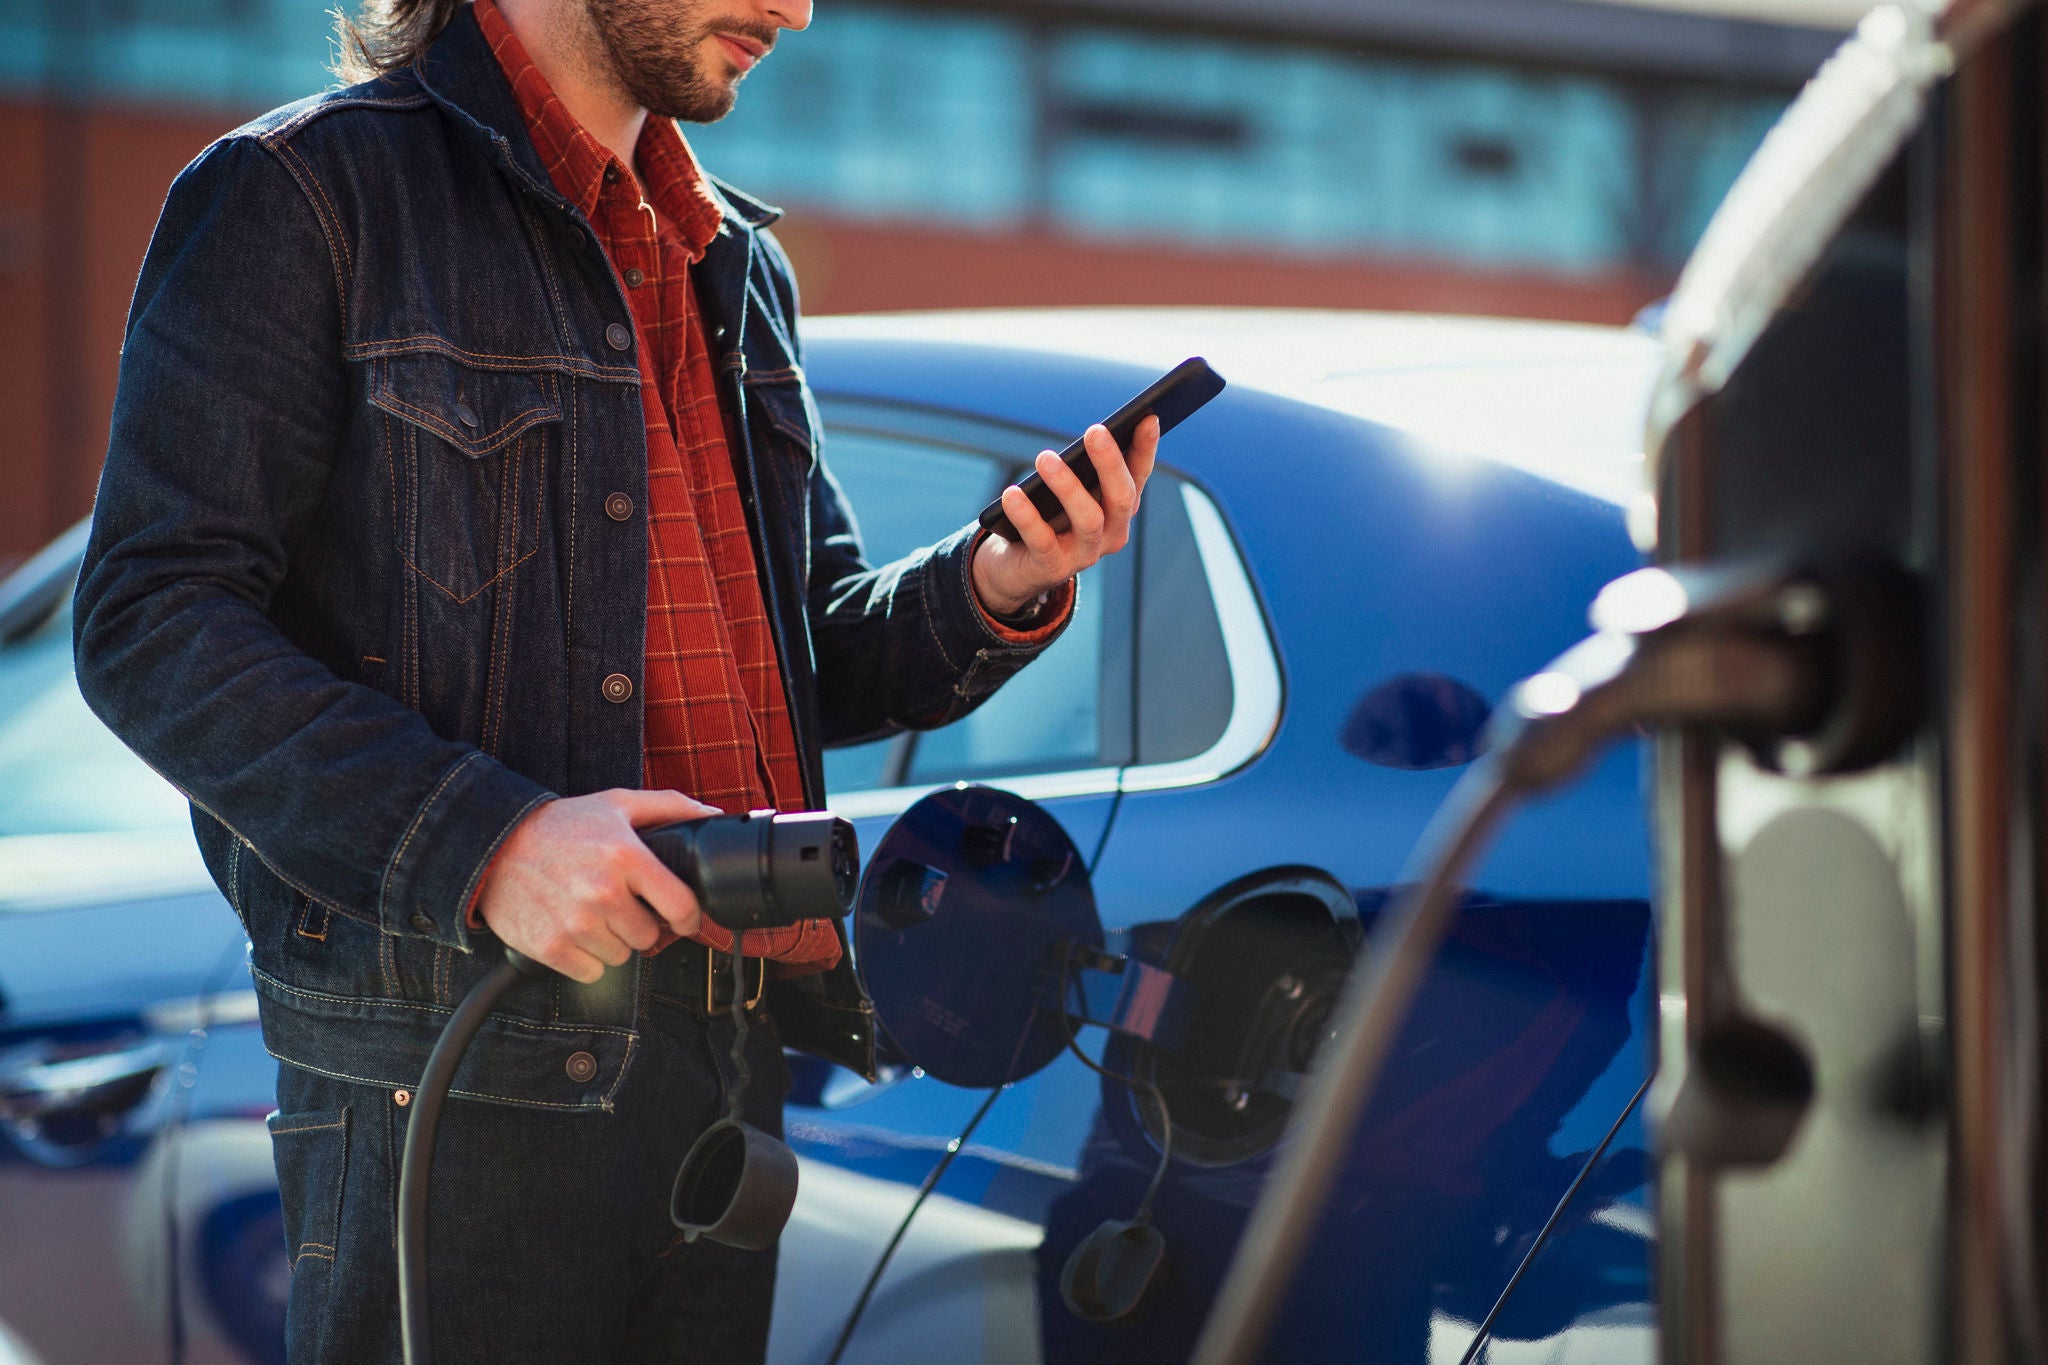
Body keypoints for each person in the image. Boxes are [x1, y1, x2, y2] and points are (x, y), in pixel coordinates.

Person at [71, 0, 1157, 1358]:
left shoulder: (735, 262)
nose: (799, 9)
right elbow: (148, 619)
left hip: (723, 1079)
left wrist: (998, 580)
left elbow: (806, 652)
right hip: (462, 1077)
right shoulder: (304, 199)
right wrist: (488, 840)